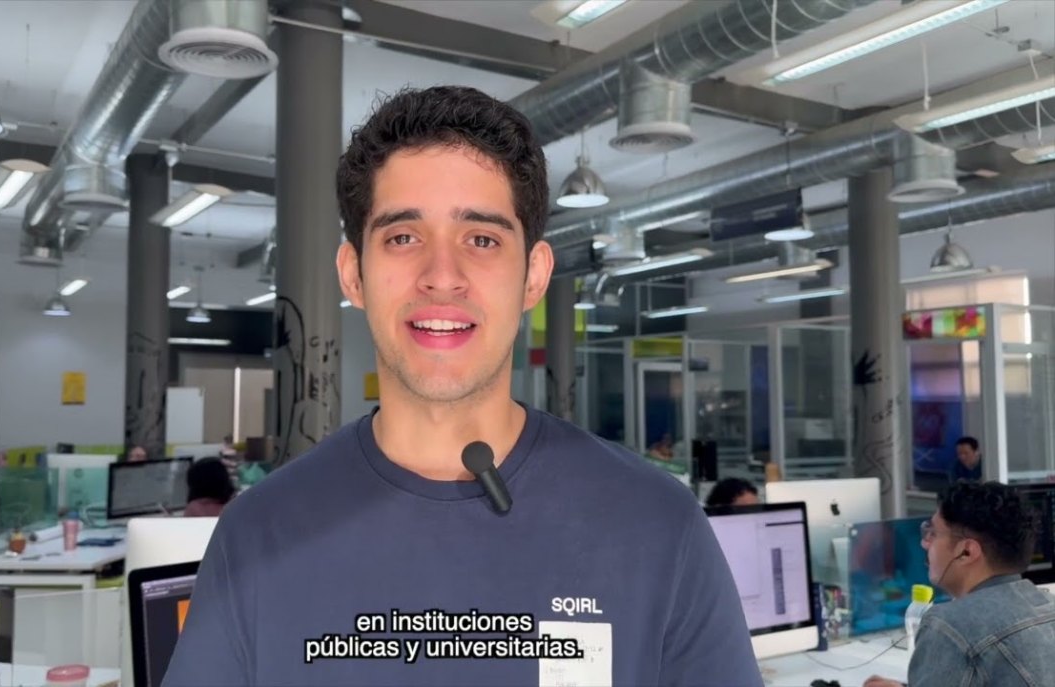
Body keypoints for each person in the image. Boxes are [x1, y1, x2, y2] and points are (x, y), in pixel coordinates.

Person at [163, 85, 760, 686]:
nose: (442, 277)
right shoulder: (257, 535)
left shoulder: (657, 524)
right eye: (402, 237)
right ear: (354, 275)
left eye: (482, 239)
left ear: (533, 276)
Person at [863, 481, 1055, 687]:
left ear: (966, 552)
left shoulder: (950, 626)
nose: (924, 543)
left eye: (933, 533)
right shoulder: (1048, 606)